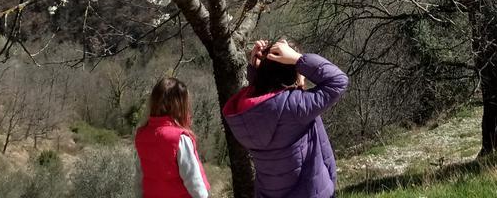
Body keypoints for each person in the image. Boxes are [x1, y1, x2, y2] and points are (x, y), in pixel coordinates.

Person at [223, 39, 348, 198]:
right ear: (293, 73)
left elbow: (266, 101)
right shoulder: (295, 107)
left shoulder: (246, 113)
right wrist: (299, 59)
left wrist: (256, 71)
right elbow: (338, 81)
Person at [135, 76, 211, 198]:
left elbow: (140, 177)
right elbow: (193, 180)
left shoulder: (142, 135)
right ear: (180, 106)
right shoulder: (179, 139)